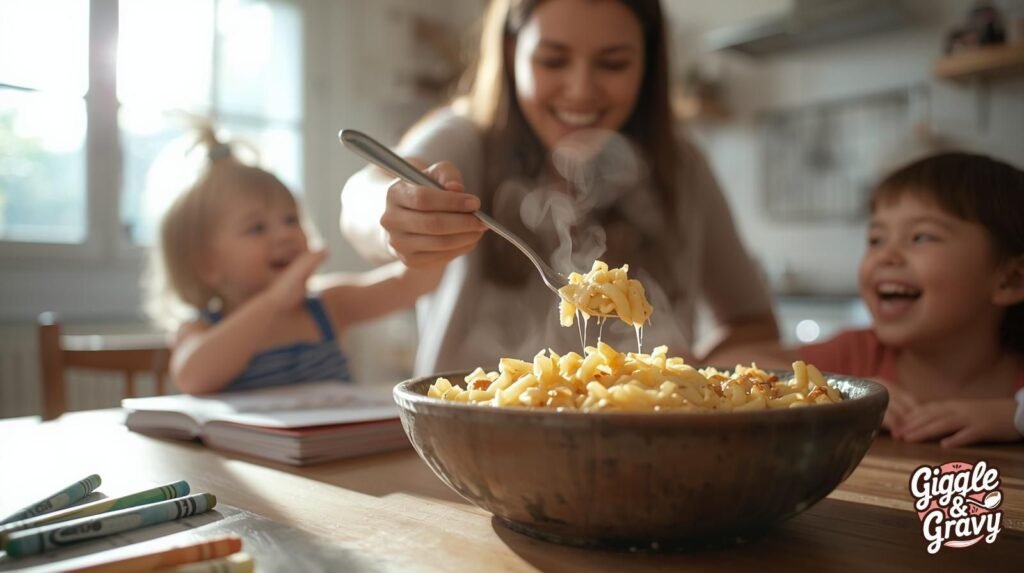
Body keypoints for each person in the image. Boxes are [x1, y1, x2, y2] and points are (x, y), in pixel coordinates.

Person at [340, 0, 778, 376]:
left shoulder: (682, 166)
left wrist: (696, 380)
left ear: (647, 62)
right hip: (476, 452)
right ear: (512, 52)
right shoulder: (466, 138)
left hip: (648, 455)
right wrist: (395, 213)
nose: (581, 90)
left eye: (613, 63)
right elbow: (363, 196)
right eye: (552, 60)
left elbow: (751, 322)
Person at [710, 152, 1024, 448]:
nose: (885, 255)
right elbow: (724, 362)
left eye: (922, 237)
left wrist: (1014, 416)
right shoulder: (859, 357)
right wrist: (844, 390)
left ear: (1011, 280)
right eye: (876, 239)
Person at [149, 126, 444, 394]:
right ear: (207, 265)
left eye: (291, 219)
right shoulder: (201, 328)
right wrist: (274, 300)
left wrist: (436, 228)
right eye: (257, 228)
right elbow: (193, 377)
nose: (284, 235)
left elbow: (411, 285)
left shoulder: (328, 305)